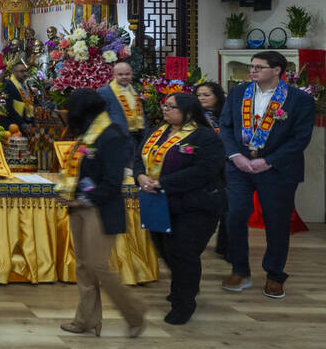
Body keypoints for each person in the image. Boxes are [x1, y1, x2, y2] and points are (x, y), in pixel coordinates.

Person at [219, 51, 315, 299]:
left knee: (277, 222)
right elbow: (226, 127)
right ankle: (240, 269)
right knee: (235, 216)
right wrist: (234, 156)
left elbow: (300, 138)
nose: (252, 71)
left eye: (259, 67)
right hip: (239, 166)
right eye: (252, 66)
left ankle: (274, 275)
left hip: (277, 169)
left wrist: (269, 161)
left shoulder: (298, 100)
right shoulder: (238, 93)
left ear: (277, 70)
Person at [56, 89, 146, 338]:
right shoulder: (87, 134)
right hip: (79, 208)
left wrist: (84, 198)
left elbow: (112, 181)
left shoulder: (112, 135)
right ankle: (86, 319)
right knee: (84, 267)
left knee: (98, 265)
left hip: (100, 209)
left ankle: (134, 312)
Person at [135, 92, 226, 324]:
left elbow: (205, 170)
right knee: (165, 251)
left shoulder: (204, 136)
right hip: (158, 203)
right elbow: (138, 157)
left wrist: (164, 183)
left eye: (172, 107)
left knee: (184, 254)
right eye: (165, 105)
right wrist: (140, 175)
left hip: (194, 205)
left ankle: (184, 304)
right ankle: (182, 288)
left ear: (187, 111)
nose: (165, 109)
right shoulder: (158, 131)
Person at [195, 80, 229, 256]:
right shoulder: (193, 116)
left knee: (226, 207)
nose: (201, 98)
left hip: (225, 165)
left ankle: (225, 246)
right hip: (202, 166)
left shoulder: (226, 114)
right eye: (199, 95)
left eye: (206, 95)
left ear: (218, 96)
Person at [98, 60, 146, 151]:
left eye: (127, 74)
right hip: (118, 138)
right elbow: (102, 116)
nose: (124, 77)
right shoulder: (104, 91)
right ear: (114, 75)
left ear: (132, 74)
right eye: (120, 74)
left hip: (137, 136)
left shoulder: (134, 90)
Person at [3, 61, 35, 129]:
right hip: (13, 126)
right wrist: (22, 124)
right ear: (14, 72)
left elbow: (30, 105)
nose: (25, 74)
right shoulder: (8, 85)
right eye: (22, 71)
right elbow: (8, 108)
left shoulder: (26, 86)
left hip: (27, 126)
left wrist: (31, 123)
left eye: (26, 71)